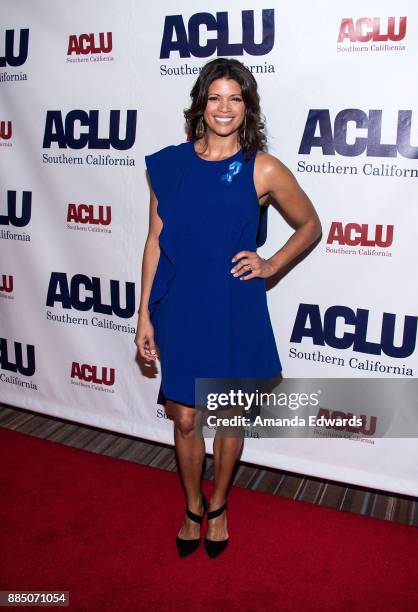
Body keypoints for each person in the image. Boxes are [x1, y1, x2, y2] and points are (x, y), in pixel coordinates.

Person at [135, 58, 321, 558]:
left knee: (230, 415)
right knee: (187, 418)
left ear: (247, 107)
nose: (224, 108)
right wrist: (144, 315)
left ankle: (219, 506)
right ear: (200, 104)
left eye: (235, 98)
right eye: (214, 97)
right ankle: (192, 504)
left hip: (235, 305)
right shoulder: (170, 165)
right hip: (180, 306)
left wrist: (271, 264)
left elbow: (311, 225)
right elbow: (155, 241)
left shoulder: (262, 167)